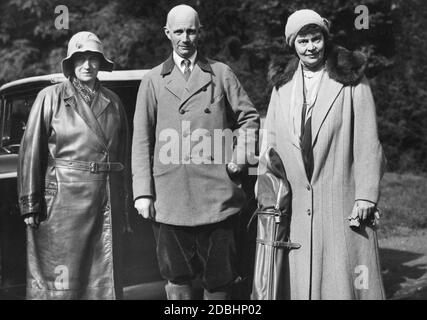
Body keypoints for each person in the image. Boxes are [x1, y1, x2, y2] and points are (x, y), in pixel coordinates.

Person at [132, 4, 259, 300]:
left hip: (217, 196)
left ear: (200, 32)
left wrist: (240, 157)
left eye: (191, 30)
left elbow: (249, 118)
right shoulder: (153, 80)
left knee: (220, 278)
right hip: (171, 196)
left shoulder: (220, 73)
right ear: (167, 33)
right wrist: (143, 193)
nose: (185, 38)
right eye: (178, 31)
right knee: (176, 276)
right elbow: (141, 140)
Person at [259, 9, 386, 299]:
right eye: (302, 41)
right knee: (303, 285)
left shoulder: (350, 79)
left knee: (343, 285)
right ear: (293, 45)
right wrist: (269, 194)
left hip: (341, 204)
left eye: (316, 39)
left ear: (324, 39)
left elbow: (368, 140)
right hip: (298, 209)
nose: (311, 47)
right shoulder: (282, 86)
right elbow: (272, 145)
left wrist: (366, 194)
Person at [18, 31, 130, 299]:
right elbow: (30, 151)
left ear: (101, 63)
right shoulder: (50, 97)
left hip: (104, 203)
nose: (87, 65)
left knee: (101, 285)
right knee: (62, 284)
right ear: (71, 64)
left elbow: (122, 159)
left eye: (93, 58)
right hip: (61, 206)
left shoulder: (113, 102)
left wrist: (124, 210)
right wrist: (30, 203)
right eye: (81, 59)